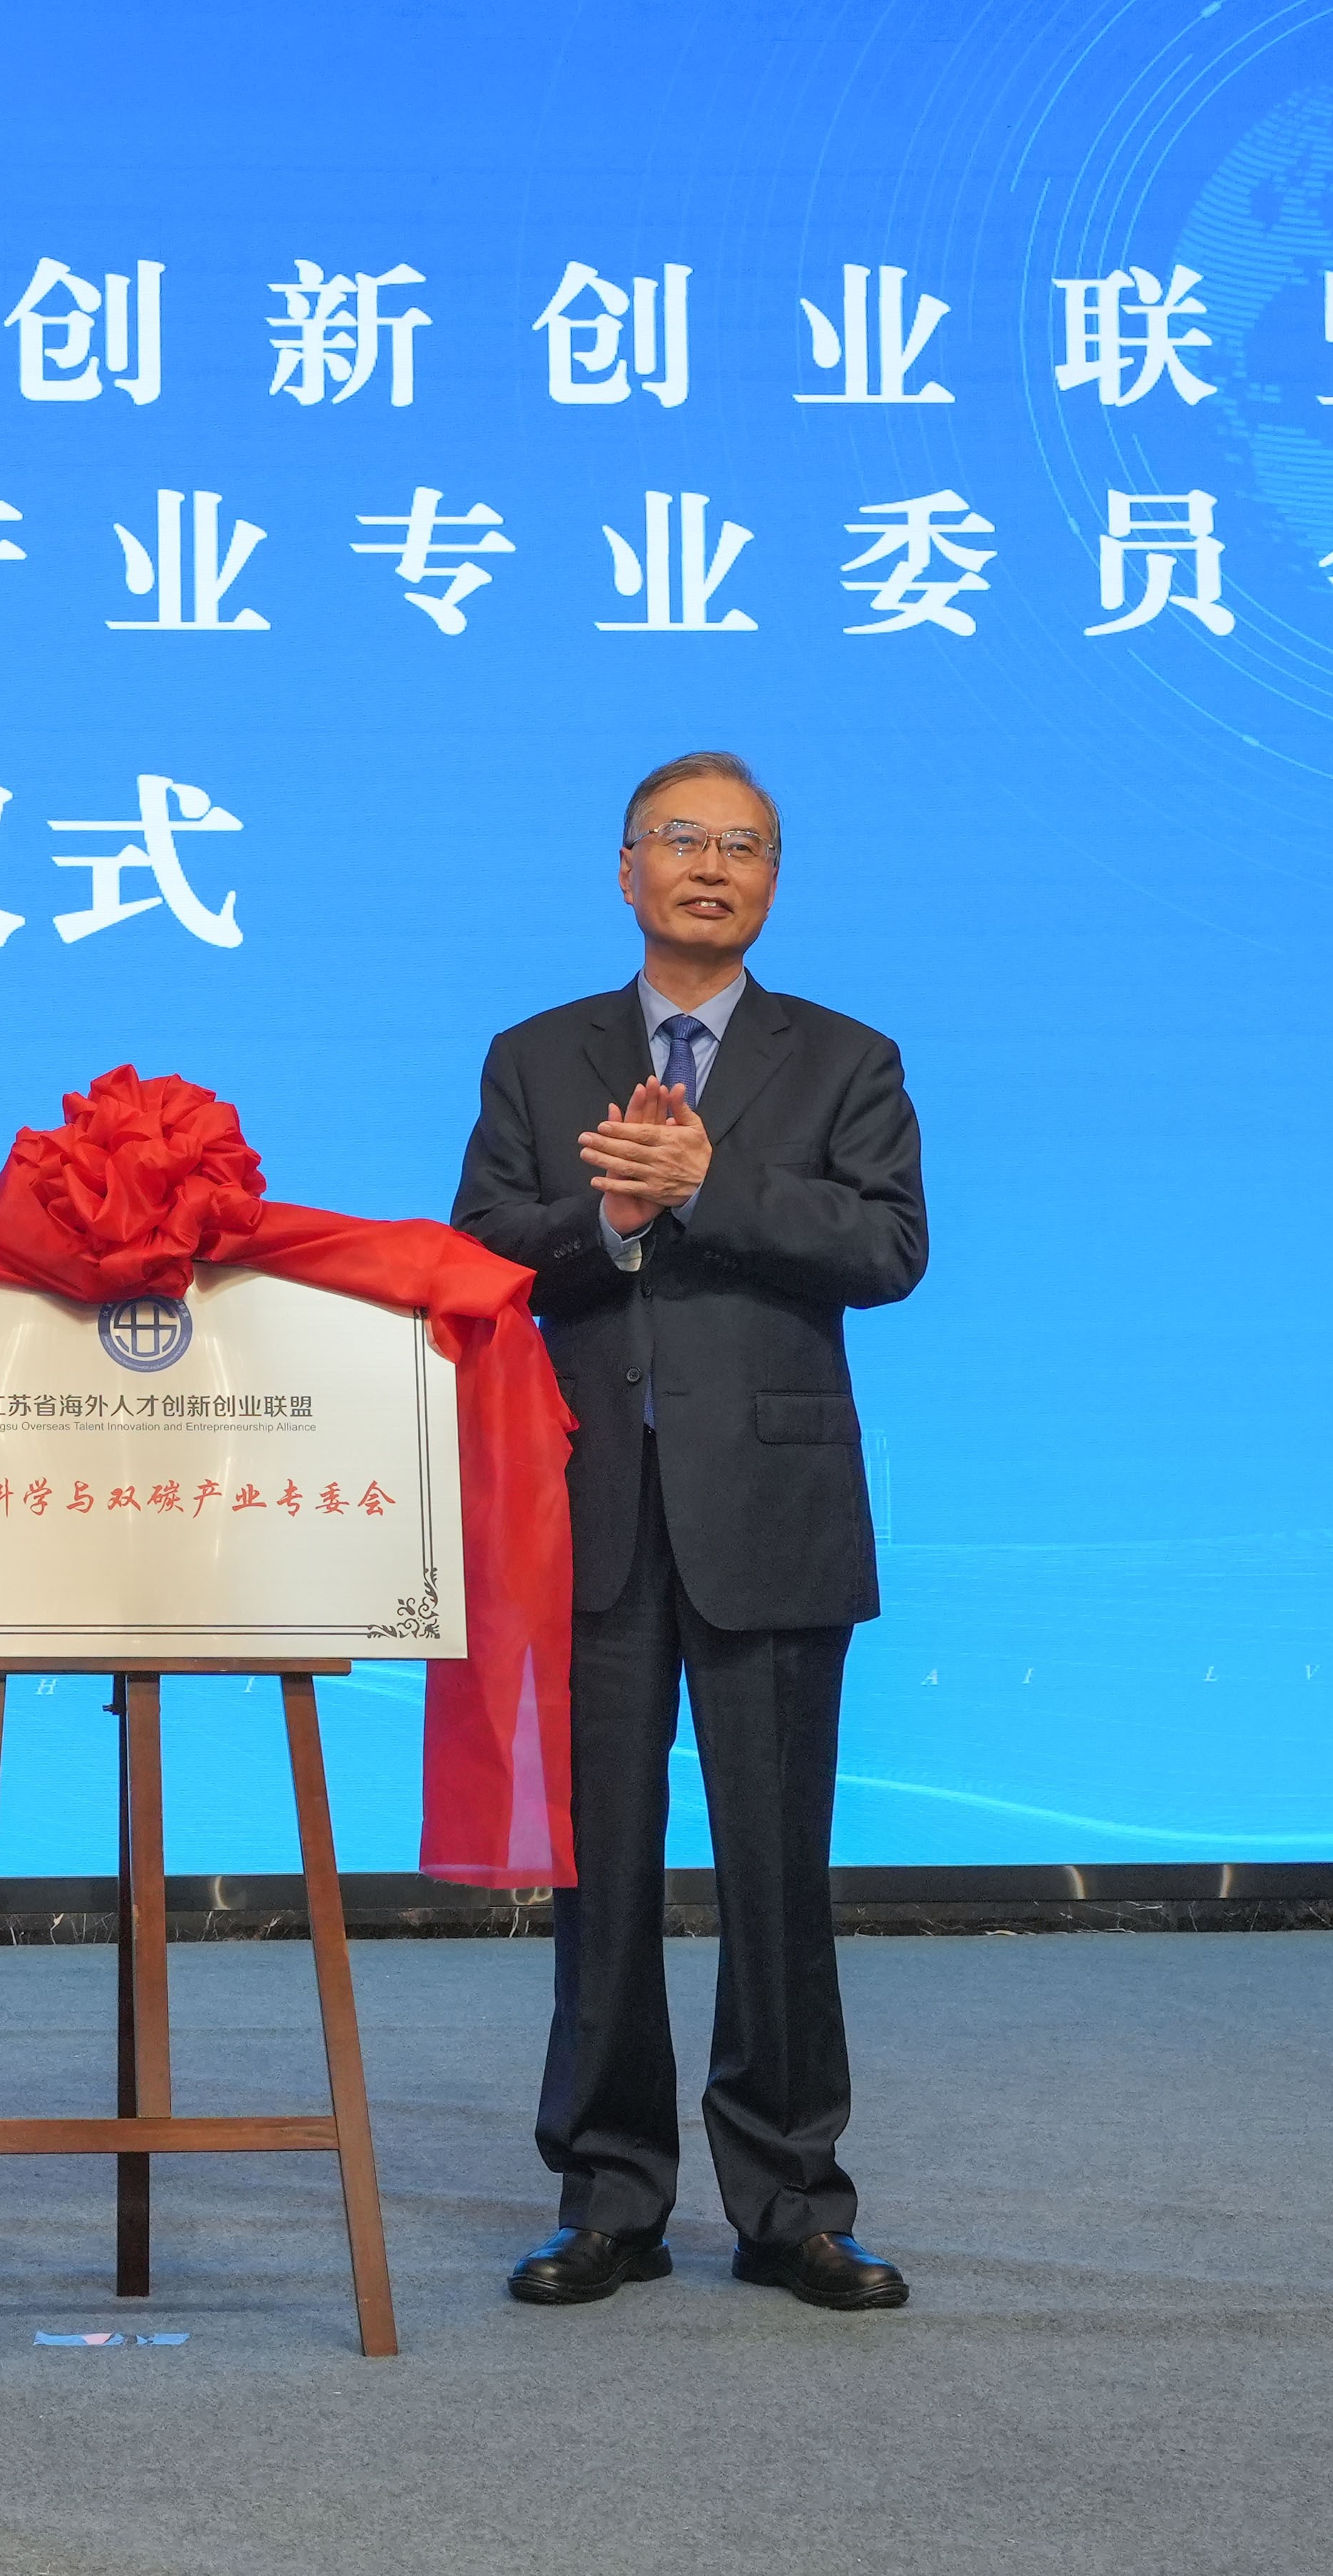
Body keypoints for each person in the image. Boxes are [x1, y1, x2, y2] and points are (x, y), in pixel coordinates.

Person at [451, 750, 928, 2313]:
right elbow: (481, 1256)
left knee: (776, 1869)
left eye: (743, 846)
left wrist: (709, 1184)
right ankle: (609, 2198)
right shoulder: (537, 1058)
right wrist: (610, 1222)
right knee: (601, 1872)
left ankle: (790, 2203)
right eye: (681, 840)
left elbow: (888, 1249)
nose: (711, 867)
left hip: (771, 1514)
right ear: (625, 869)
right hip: (590, 1511)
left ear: (773, 881)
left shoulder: (845, 1058)